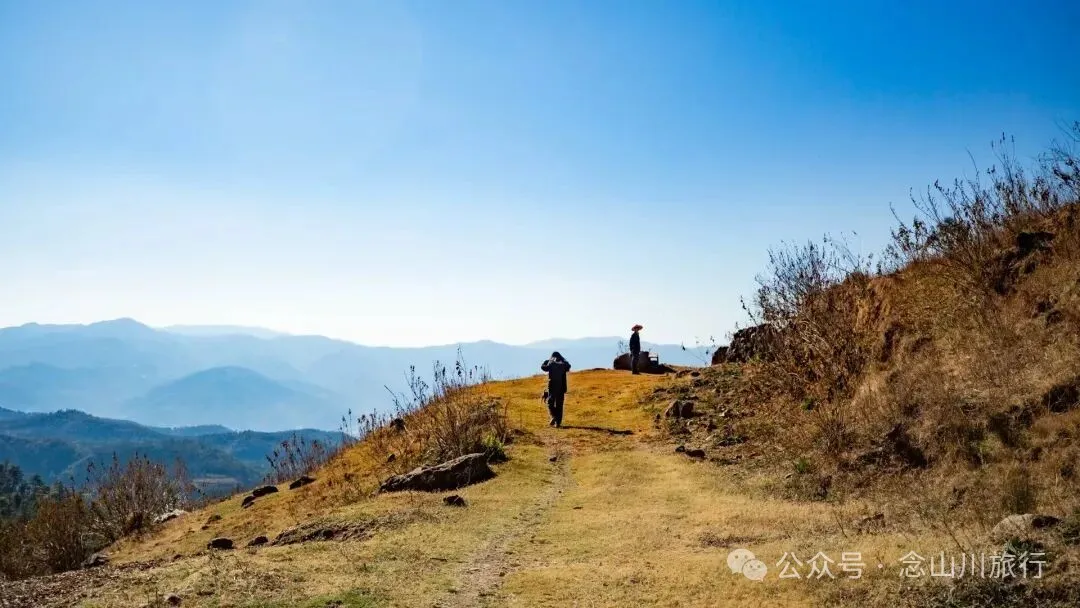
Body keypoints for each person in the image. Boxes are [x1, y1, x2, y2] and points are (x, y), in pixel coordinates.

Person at [540, 351, 571, 427]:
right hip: (561, 388)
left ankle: (554, 416)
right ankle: (558, 423)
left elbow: (543, 367)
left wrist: (546, 361)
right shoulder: (563, 364)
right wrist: (564, 361)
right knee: (559, 405)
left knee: (550, 403)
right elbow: (568, 366)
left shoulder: (551, 363)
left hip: (552, 387)